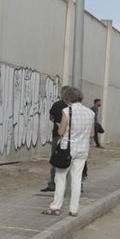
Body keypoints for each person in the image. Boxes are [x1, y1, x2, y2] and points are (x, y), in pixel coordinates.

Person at [42, 86, 93, 217]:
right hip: (83, 149)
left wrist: (60, 126)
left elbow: (61, 132)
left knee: (60, 178)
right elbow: (91, 133)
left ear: (67, 98)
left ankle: (55, 207)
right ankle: (74, 209)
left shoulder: (67, 111)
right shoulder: (90, 112)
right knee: (76, 179)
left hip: (67, 149)